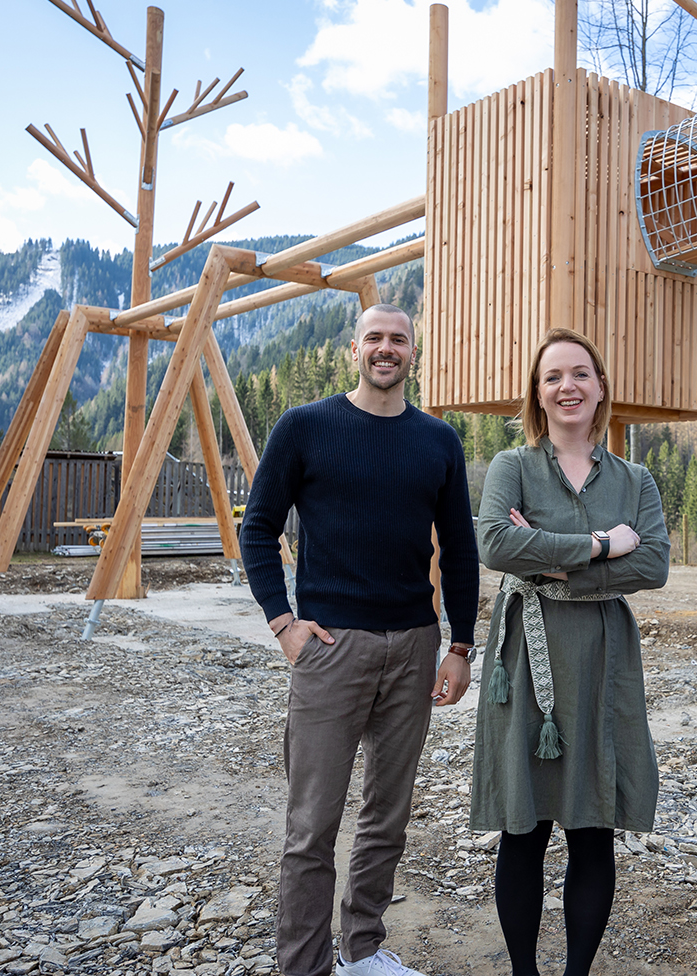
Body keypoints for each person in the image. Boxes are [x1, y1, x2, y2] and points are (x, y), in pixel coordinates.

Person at [240, 304, 480, 976]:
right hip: (329, 646)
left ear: (412, 352)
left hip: (413, 645)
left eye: (397, 339)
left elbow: (459, 550)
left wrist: (460, 647)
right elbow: (257, 528)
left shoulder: (438, 441)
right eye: (374, 338)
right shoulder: (305, 428)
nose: (385, 349)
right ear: (354, 349)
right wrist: (282, 624)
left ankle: (364, 950)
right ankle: (304, 966)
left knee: (386, 815)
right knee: (312, 826)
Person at [470, 328, 669, 976]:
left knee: (592, 829)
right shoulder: (512, 466)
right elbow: (495, 545)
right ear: (538, 392)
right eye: (553, 376)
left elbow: (657, 564)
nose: (567, 387)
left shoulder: (635, 479)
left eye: (580, 373)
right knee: (522, 832)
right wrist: (599, 545)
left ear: (601, 386)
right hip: (525, 665)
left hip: (604, 664)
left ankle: (577, 974)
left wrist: (551, 557)